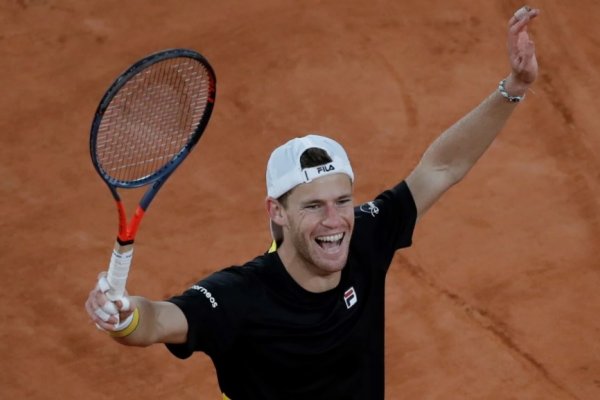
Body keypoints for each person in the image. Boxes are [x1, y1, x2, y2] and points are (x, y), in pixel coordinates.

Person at [85, 6, 540, 399]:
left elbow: (441, 168)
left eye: (342, 200)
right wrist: (124, 315)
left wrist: (514, 86)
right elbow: (160, 320)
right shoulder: (240, 297)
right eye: (312, 206)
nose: (334, 220)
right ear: (276, 212)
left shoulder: (363, 236)